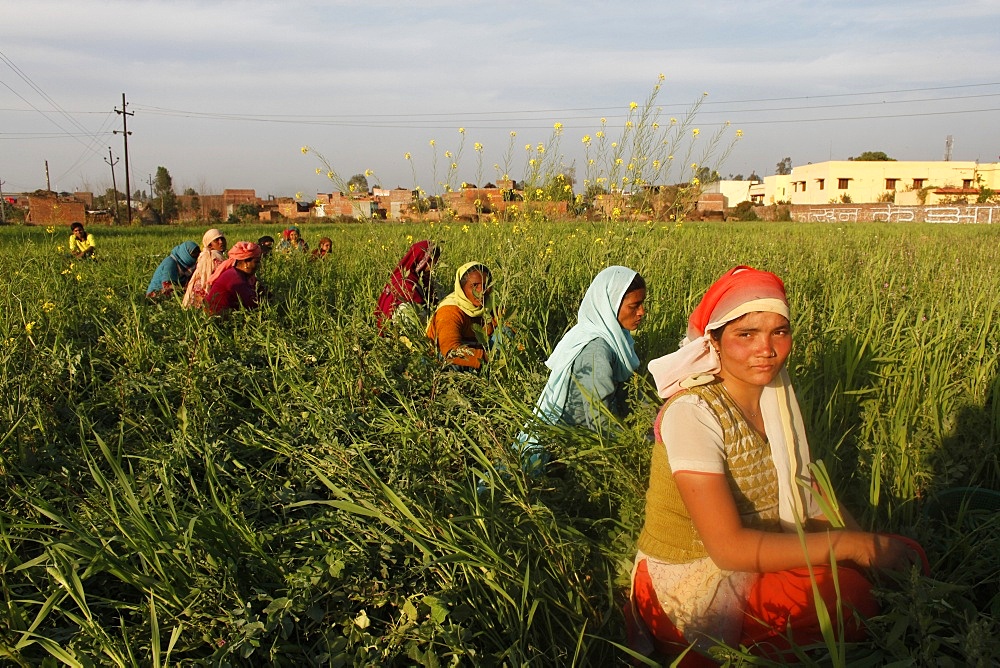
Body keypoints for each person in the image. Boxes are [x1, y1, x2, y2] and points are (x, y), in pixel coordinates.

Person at [628, 266, 926, 663]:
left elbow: (808, 488)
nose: (765, 349)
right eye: (745, 334)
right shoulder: (693, 412)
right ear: (713, 341)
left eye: (779, 332)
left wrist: (867, 549)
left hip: (760, 547)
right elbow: (729, 550)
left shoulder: (776, 397)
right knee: (850, 601)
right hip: (694, 579)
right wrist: (850, 547)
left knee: (906, 556)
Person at [516, 266, 646, 470]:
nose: (642, 312)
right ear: (610, 306)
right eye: (634, 306)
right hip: (566, 444)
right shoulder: (597, 351)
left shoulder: (612, 336)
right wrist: (636, 448)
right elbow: (599, 417)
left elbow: (628, 392)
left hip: (582, 434)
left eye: (643, 304)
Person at [426, 261, 496, 370]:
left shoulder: (488, 307)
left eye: (486, 285)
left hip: (476, 353)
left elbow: (511, 323)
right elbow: (450, 350)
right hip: (448, 359)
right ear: (461, 289)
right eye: (474, 285)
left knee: (505, 331)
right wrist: (491, 359)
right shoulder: (450, 311)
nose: (481, 291)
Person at [375, 240, 440, 332]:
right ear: (422, 260)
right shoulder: (404, 281)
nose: (433, 267)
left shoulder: (418, 276)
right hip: (400, 332)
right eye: (432, 263)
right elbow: (413, 313)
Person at [205, 241, 265, 315]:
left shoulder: (243, 275)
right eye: (256, 262)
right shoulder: (234, 277)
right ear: (246, 262)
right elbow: (250, 304)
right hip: (217, 317)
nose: (259, 265)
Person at [182, 229, 227, 309]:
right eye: (216, 240)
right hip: (206, 295)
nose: (221, 242)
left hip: (195, 297)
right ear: (210, 245)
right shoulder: (213, 256)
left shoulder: (205, 255)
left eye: (222, 239)